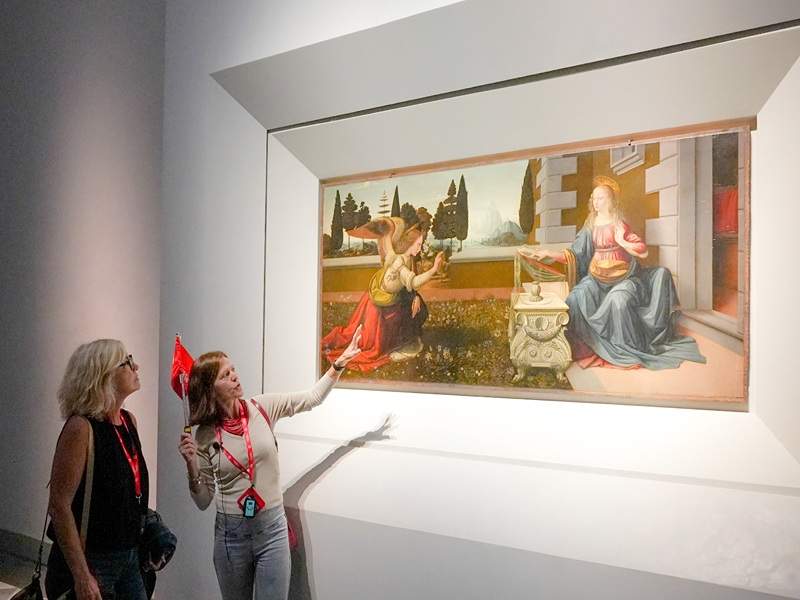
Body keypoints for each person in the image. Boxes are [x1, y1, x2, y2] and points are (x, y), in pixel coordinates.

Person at [177, 327, 362, 600]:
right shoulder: (204, 435)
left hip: (272, 530)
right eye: (225, 375)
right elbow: (204, 500)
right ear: (210, 387)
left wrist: (339, 364)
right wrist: (192, 465)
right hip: (231, 536)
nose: (235, 376)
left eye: (234, 369)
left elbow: (311, 399)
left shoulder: (262, 408)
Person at [519, 176, 705, 370]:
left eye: (601, 198)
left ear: (611, 200)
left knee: (618, 302)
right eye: (594, 198)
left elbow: (643, 250)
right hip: (596, 279)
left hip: (624, 280)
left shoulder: (619, 223)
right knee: (575, 297)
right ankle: (584, 348)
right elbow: (575, 253)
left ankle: (624, 350)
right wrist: (549, 253)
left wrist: (622, 242)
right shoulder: (590, 224)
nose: (596, 202)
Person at [46, 339, 150, 600]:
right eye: (126, 362)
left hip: (129, 556)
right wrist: (81, 574)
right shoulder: (81, 429)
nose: (135, 366)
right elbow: (59, 505)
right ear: (103, 375)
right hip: (93, 561)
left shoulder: (128, 422)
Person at [321, 216, 444, 371]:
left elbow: (386, 242)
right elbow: (413, 282)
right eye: (418, 244)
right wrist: (434, 269)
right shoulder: (400, 261)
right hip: (380, 305)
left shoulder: (398, 256)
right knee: (365, 343)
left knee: (419, 309)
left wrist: (389, 229)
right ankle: (401, 341)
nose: (420, 248)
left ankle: (404, 339)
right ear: (410, 244)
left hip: (385, 300)